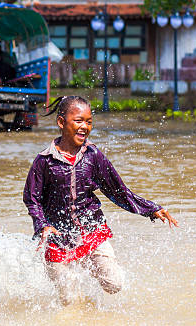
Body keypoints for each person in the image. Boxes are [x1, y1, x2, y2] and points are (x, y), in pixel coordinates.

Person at [23, 96, 178, 305]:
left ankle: (90, 274)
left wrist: (150, 209)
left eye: (89, 121)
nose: (84, 127)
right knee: (68, 301)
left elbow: (119, 191)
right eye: (78, 121)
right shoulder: (44, 161)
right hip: (58, 238)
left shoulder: (93, 156)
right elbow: (32, 199)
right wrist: (42, 225)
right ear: (61, 122)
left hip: (91, 231)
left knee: (114, 284)